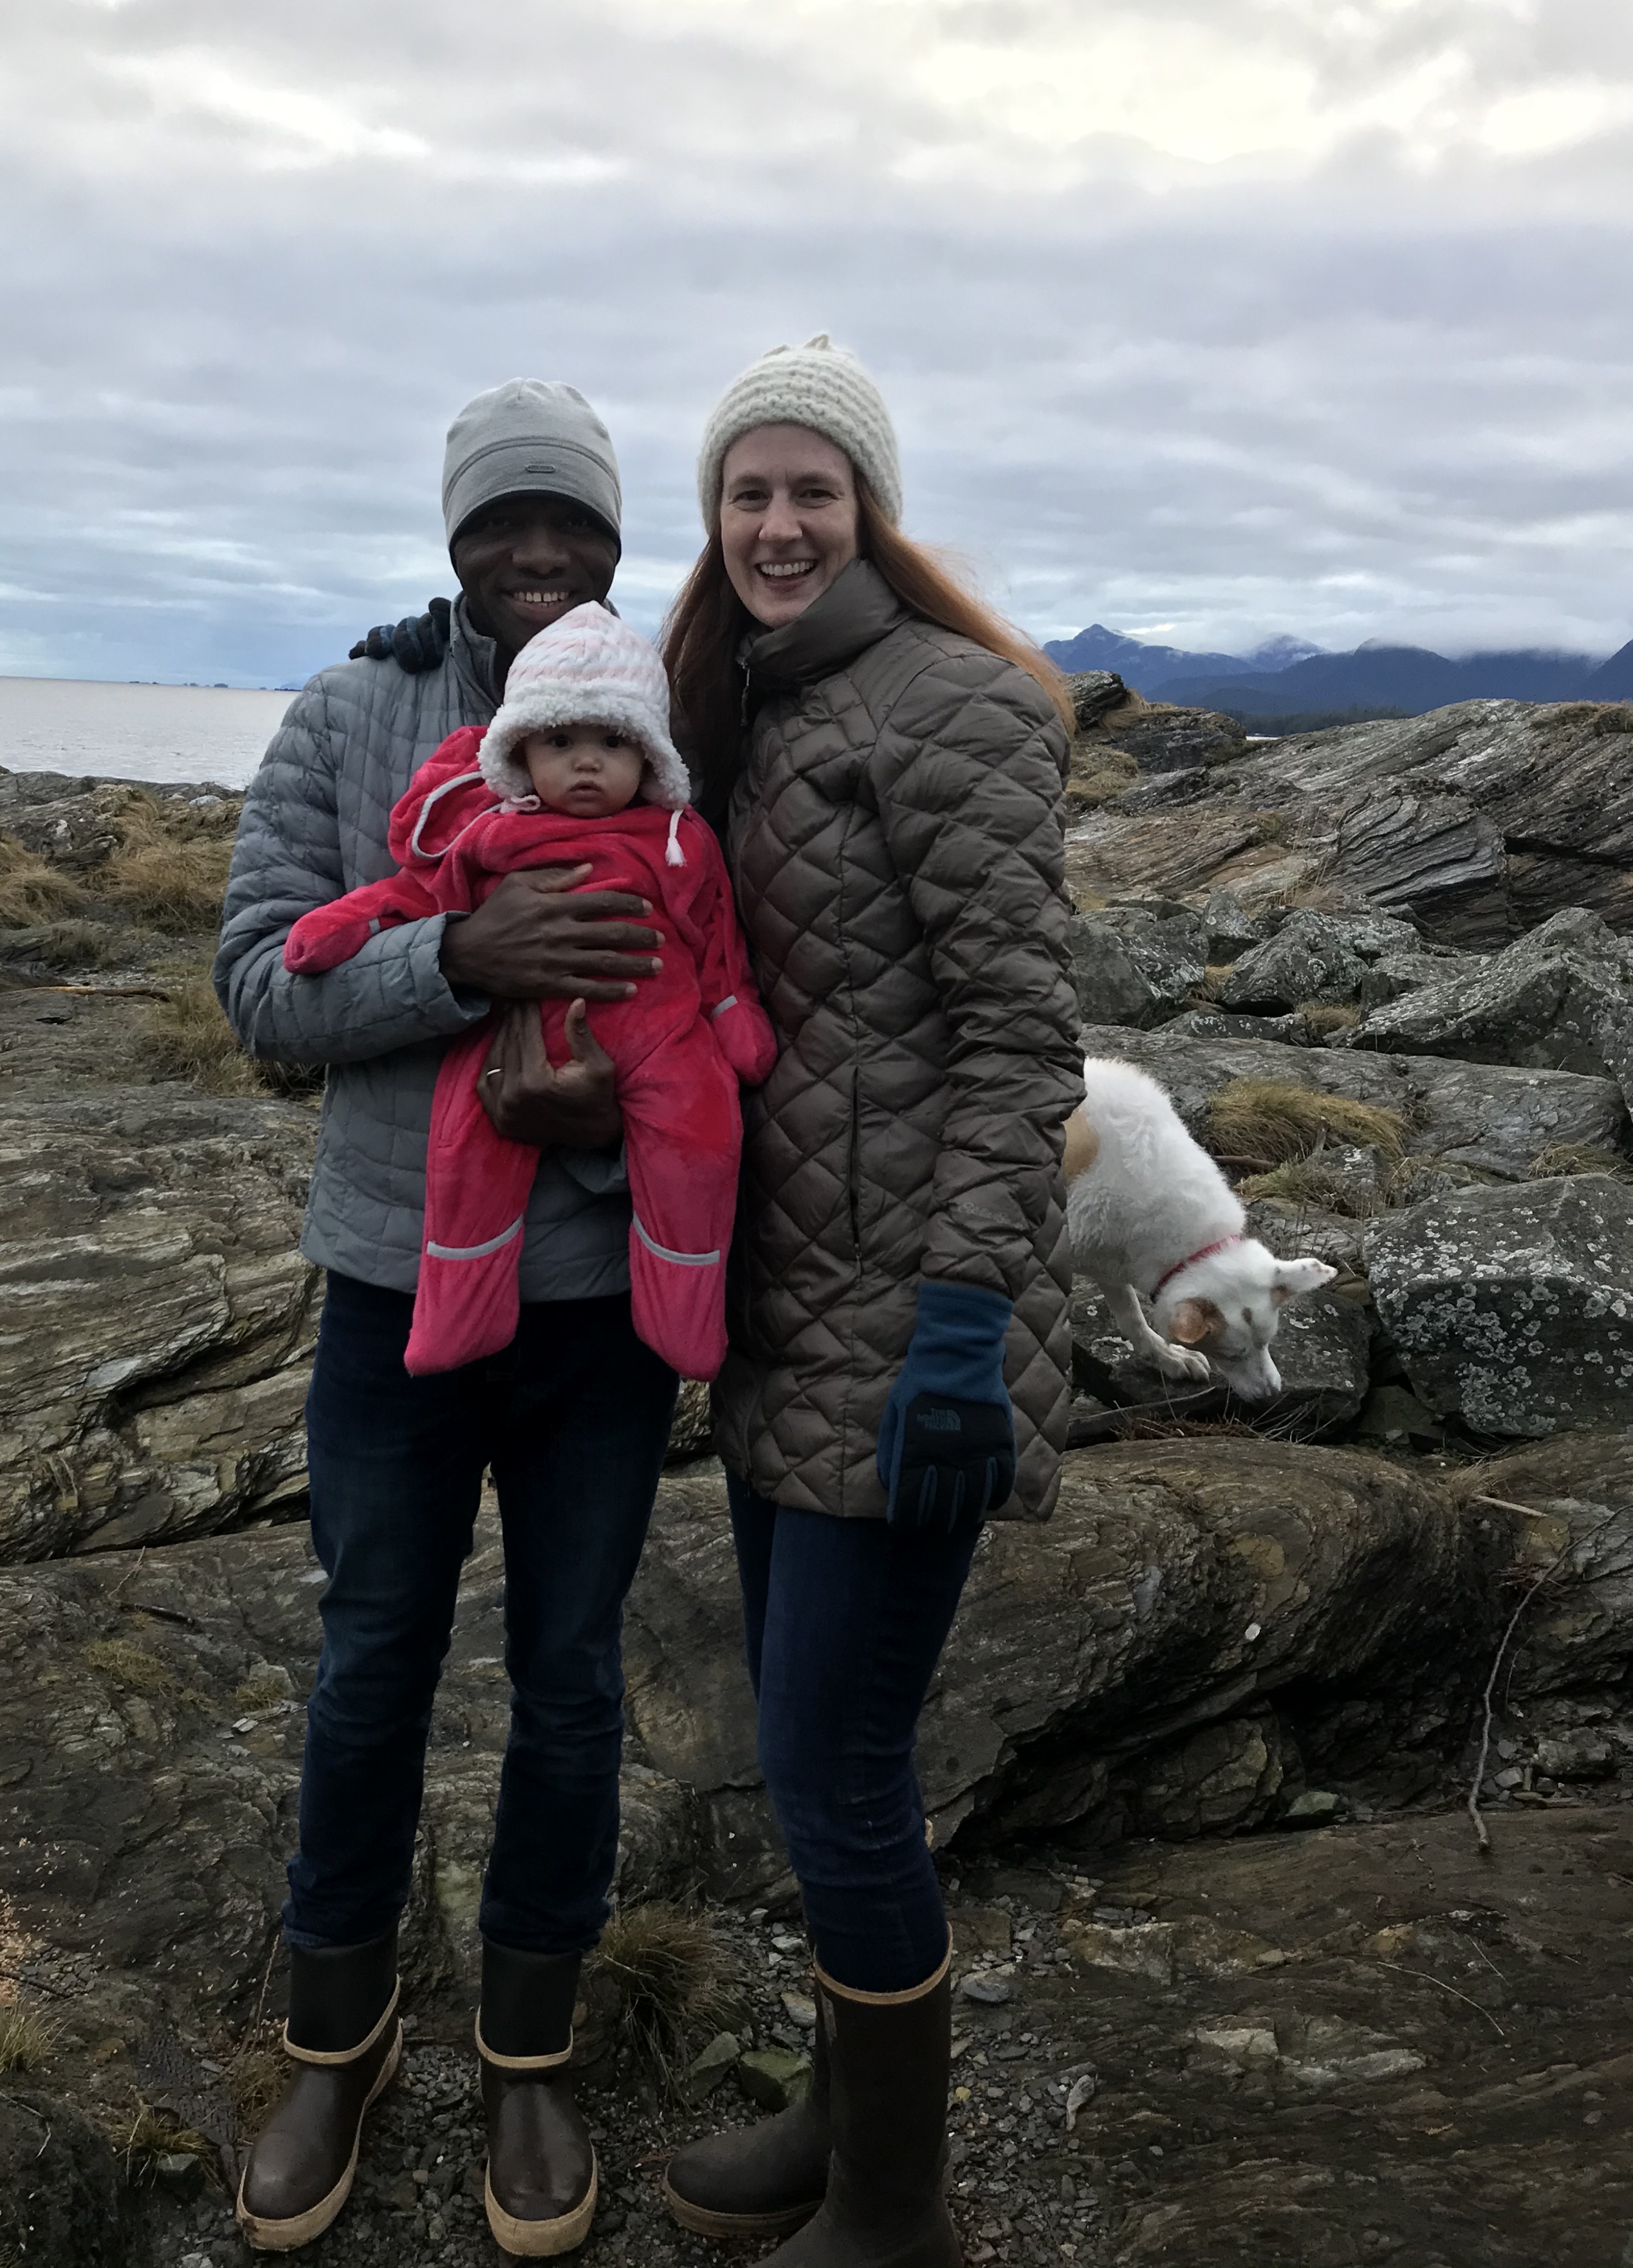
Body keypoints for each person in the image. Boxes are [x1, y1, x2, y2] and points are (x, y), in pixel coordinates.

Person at [214, 380, 681, 2259]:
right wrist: (454, 960)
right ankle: (337, 2036)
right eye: (506, 525)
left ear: (615, 541)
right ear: (456, 536)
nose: (539, 554)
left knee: (570, 1679)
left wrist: (610, 1116)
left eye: (571, 524)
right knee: (372, 1655)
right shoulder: (350, 711)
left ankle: (532, 2047)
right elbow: (260, 988)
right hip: (389, 1288)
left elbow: (719, 976)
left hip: (599, 1313)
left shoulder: (667, 723)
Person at [658, 337, 1082, 2268]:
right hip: (779, 1317)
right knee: (825, 1755)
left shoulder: (951, 708)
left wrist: (959, 1328)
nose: (776, 520)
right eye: (747, 490)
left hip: (910, 1332)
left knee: (835, 1771)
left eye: (811, 489)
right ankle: (847, 2123)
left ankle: (899, 2217)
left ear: (869, 511)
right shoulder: (743, 702)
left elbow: (1019, 1046)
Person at [280, 601, 776, 1380]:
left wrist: (728, 1015)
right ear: (518, 749)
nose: (586, 763)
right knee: (465, 1156)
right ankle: (453, 1313)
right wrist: (426, 946)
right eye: (560, 742)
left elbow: (715, 940)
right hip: (487, 1075)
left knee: (700, 1142)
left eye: (613, 743)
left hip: (658, 1056)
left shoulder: (681, 836)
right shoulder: (490, 826)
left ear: (649, 755)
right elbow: (412, 895)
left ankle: (684, 1313)